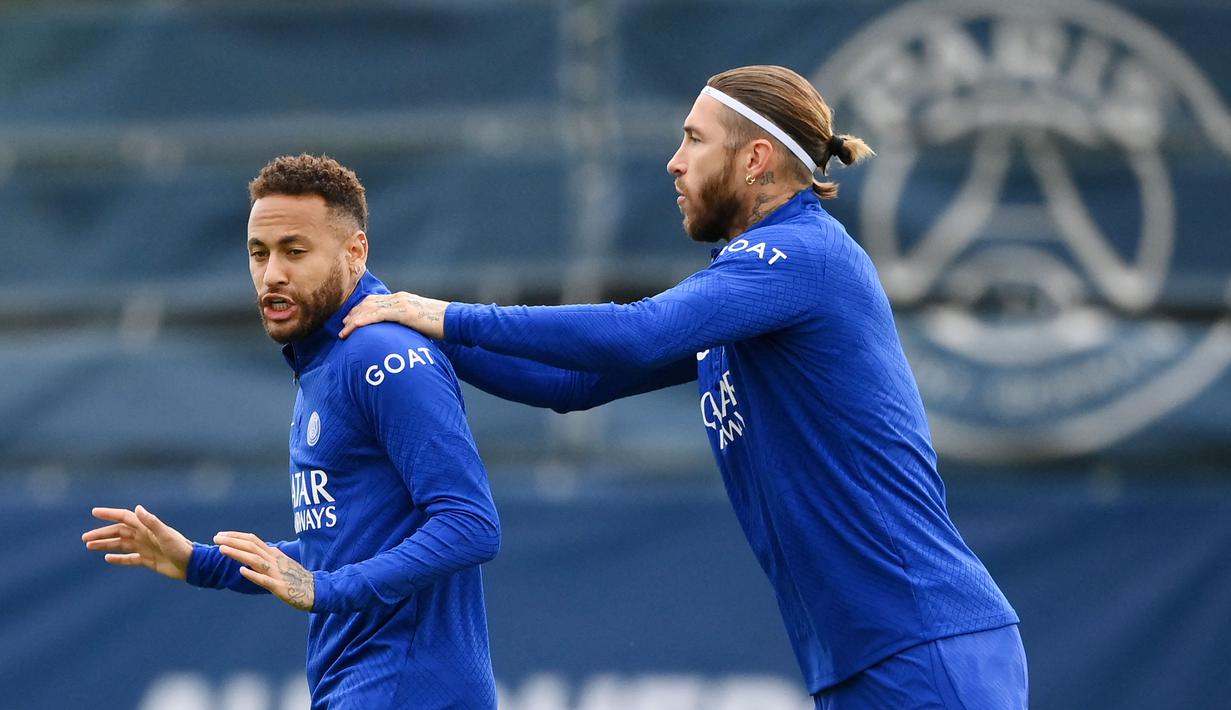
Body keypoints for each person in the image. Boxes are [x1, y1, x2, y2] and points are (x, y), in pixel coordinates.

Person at [339, 65, 1028, 708]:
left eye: (694, 139)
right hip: (867, 660)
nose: (674, 160)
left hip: (924, 645)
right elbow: (574, 381)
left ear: (755, 158)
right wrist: (404, 328)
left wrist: (449, 315)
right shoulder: (755, 291)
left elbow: (633, 333)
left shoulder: (800, 255)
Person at [81, 154, 501, 710]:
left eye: (294, 252)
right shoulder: (324, 360)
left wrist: (324, 590)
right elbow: (350, 541)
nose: (271, 273)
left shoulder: (382, 355)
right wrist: (198, 561)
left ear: (355, 252)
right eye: (259, 254)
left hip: (403, 689)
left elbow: (470, 525)